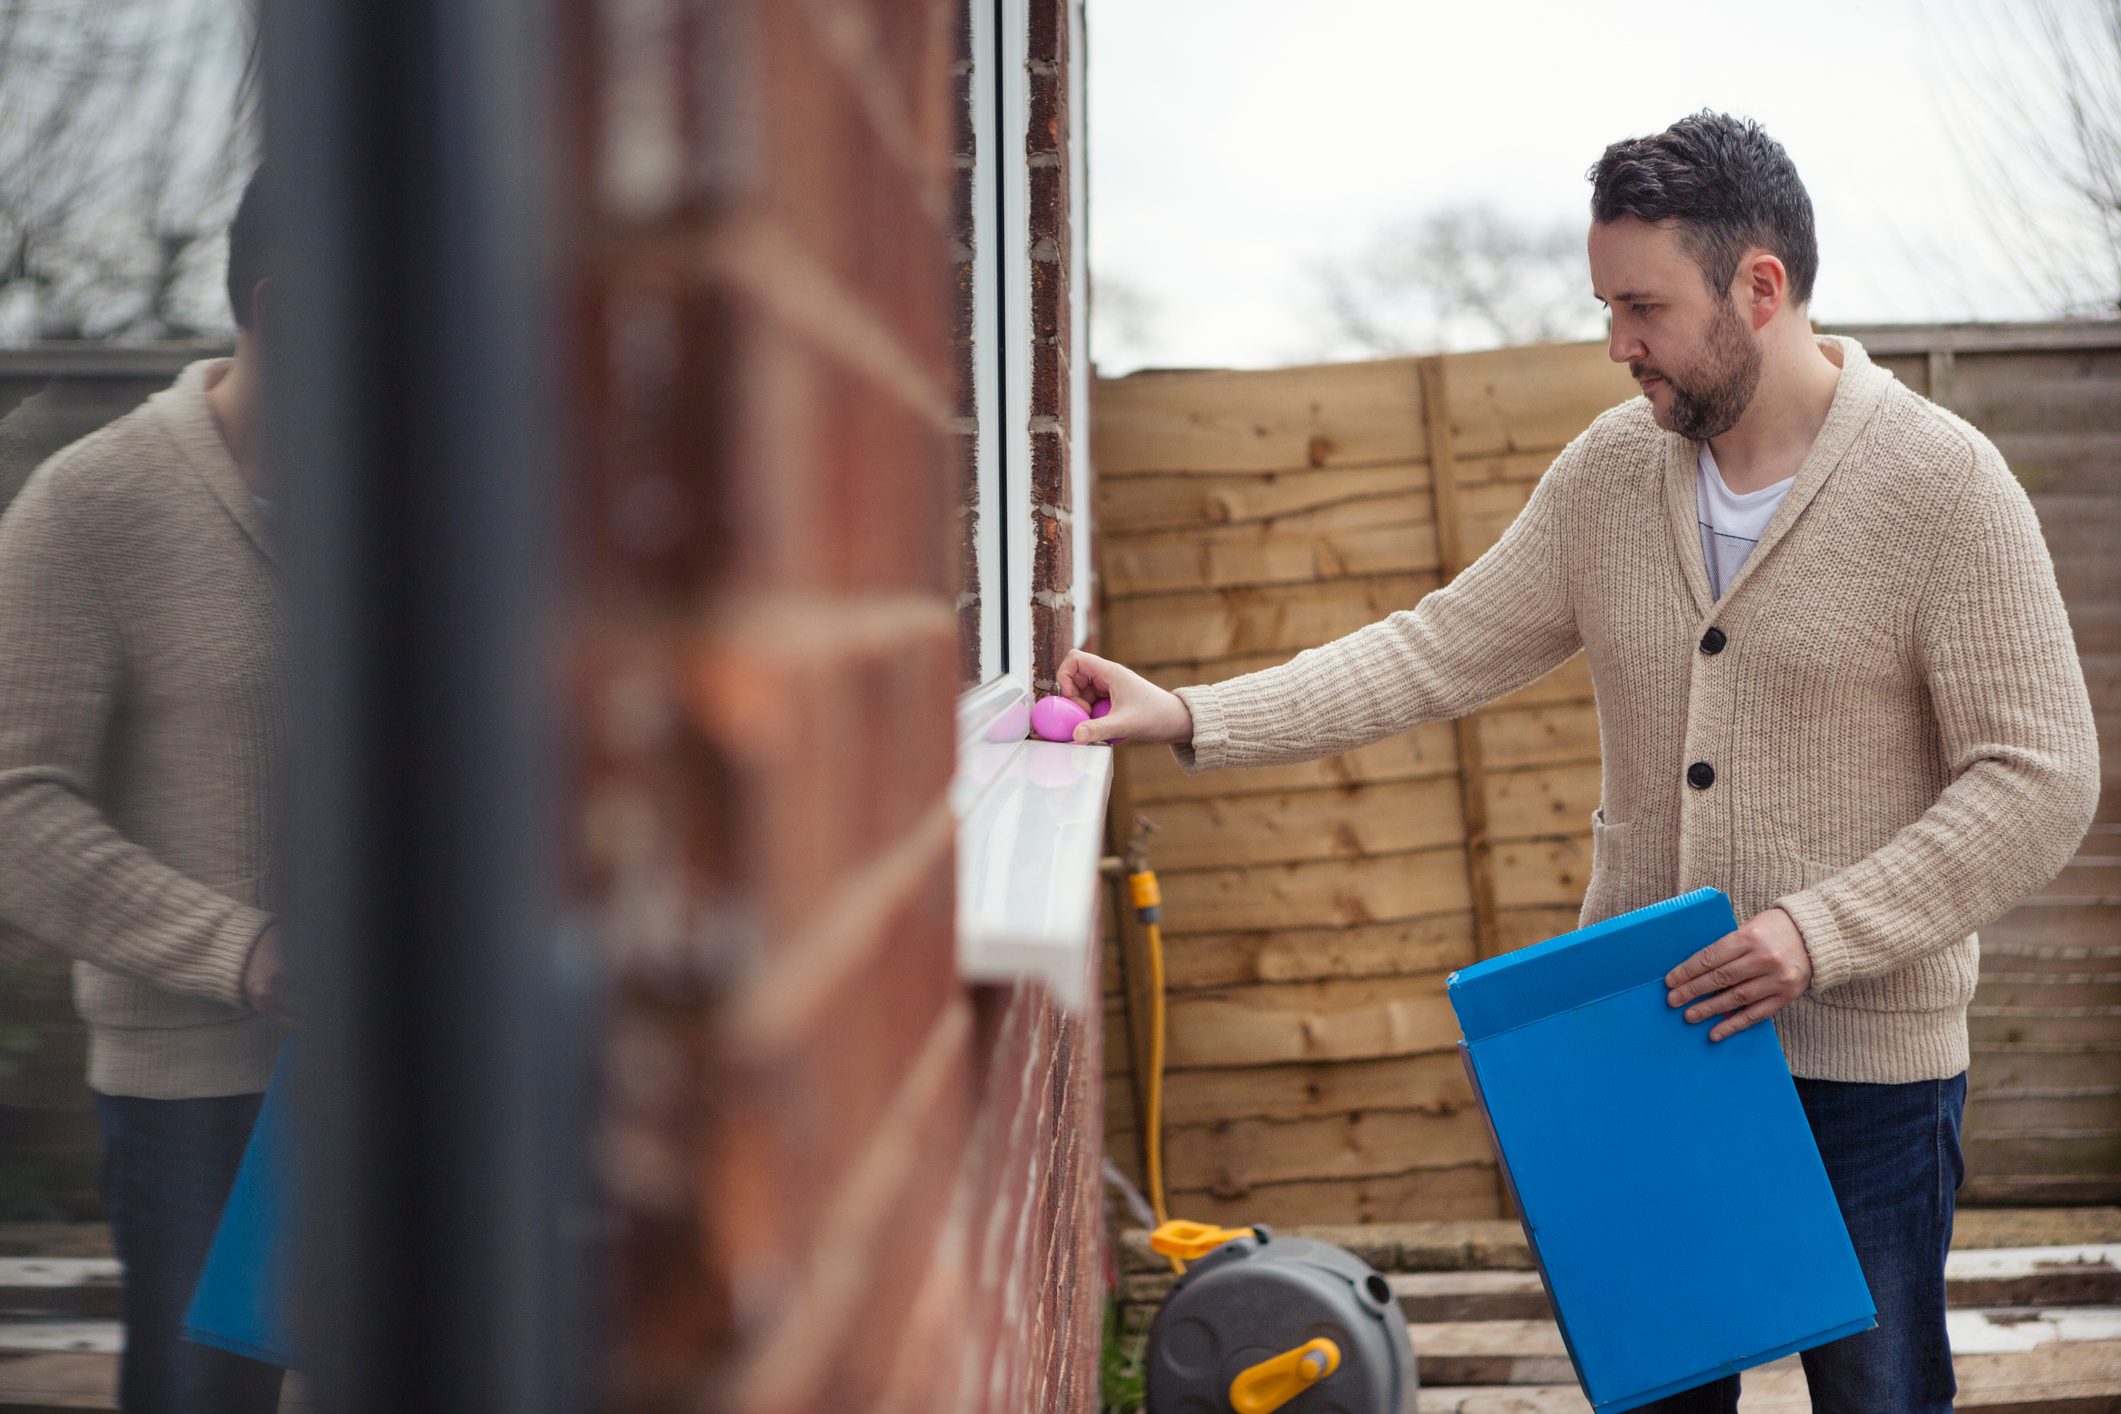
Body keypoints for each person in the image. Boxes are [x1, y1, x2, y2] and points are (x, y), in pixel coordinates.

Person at [1061, 112, 2100, 1412]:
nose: (1616, 344)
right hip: (1650, 1042)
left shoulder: (1946, 488)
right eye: (1607, 305)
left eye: (1641, 306)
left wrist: (1814, 933)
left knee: (1880, 1397)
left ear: (1759, 287)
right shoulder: (1613, 474)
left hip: (1865, 1070)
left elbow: (2040, 776)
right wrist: (1193, 715)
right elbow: (1434, 649)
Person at [0, 165, 288, 1413]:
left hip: (427, 1062)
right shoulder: (93, 502)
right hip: (203, 1099)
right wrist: (250, 951)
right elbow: (13, 803)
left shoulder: (426, 498)